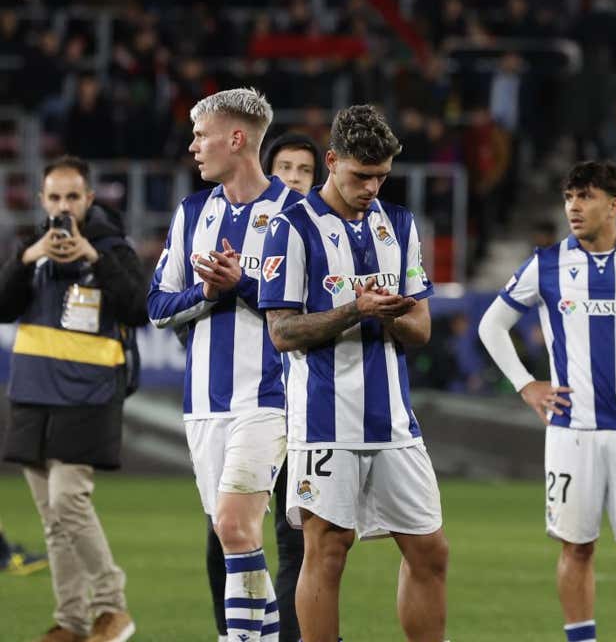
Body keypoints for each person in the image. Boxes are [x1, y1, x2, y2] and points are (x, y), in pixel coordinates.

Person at [478, 161, 616, 642]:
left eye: (586, 197)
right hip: (571, 433)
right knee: (577, 549)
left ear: (614, 205)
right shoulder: (548, 263)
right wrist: (525, 384)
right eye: (569, 197)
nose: (574, 207)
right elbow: (491, 325)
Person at [259, 104, 449, 642]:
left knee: (429, 549)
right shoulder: (292, 227)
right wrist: (354, 310)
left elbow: (421, 327)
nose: (371, 187)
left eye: (381, 176)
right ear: (333, 160)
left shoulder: (400, 224)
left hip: (392, 417)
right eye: (361, 175)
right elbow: (282, 332)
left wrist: (392, 313)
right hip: (324, 417)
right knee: (328, 548)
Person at [147, 88, 303, 642]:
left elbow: (314, 312)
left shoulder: (295, 213)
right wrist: (209, 293)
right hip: (204, 405)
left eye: (201, 134)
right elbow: (158, 306)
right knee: (236, 536)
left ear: (236, 139)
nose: (193, 146)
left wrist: (242, 285)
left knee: (236, 527)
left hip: (268, 398)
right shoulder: (193, 213)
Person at [1, 156, 145, 642]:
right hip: (33, 393)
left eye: (72, 197)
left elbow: (138, 308)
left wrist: (92, 256)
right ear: (43, 200)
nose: (63, 206)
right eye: (55, 197)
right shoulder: (32, 251)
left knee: (67, 501)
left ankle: (112, 605)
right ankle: (72, 621)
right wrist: (25, 258)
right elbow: (3, 306)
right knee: (51, 518)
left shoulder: (111, 248)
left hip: (88, 394)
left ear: (88, 199)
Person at [199, 130, 322, 642]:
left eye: (305, 171)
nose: (294, 177)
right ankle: (234, 634)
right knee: (222, 537)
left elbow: (313, 316)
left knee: (295, 542)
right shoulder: (227, 228)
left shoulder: (318, 237)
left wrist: (240, 286)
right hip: (235, 402)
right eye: (286, 168)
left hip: (298, 403)